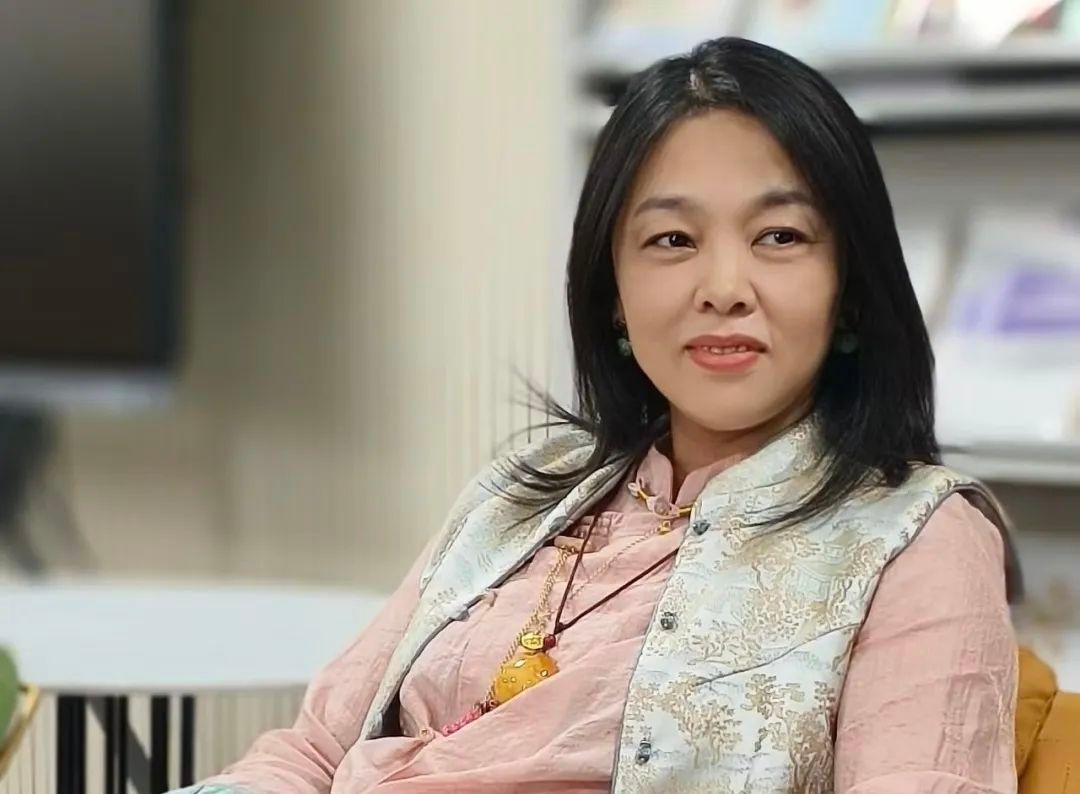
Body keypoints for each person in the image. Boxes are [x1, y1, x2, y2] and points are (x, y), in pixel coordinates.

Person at [177, 37, 1018, 793]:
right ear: (612, 294)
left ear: (851, 290)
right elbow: (313, 752)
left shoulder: (920, 537)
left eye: (779, 237)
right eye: (672, 241)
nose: (724, 287)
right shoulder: (524, 491)